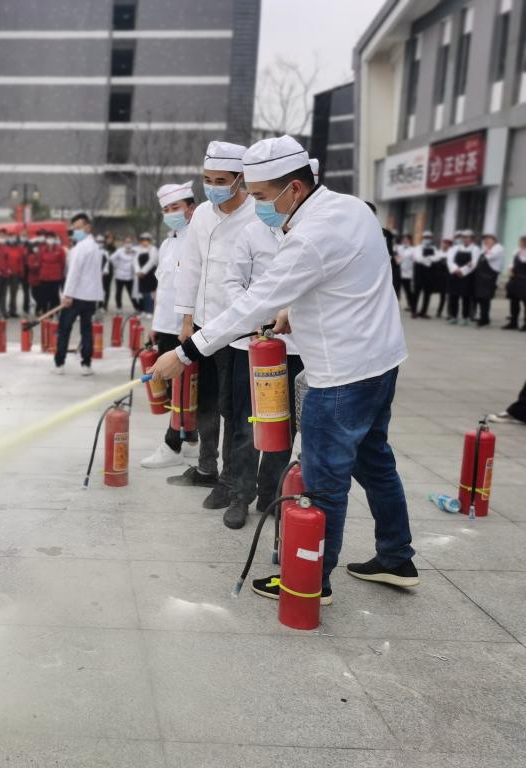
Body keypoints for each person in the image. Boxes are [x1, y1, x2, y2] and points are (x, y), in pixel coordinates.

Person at [150, 135, 417, 604]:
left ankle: (312, 580)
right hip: (382, 361)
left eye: (259, 196)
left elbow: (255, 301)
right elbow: (348, 278)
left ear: (293, 189)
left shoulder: (310, 237)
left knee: (323, 482)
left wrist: (186, 351)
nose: (257, 207)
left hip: (341, 376)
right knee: (375, 462)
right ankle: (396, 557)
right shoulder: (353, 209)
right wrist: (294, 309)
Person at [170, 140, 258, 510]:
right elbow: (191, 268)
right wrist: (187, 319)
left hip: (242, 329)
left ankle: (236, 485)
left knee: (239, 411)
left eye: (221, 180)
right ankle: (213, 470)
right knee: (210, 403)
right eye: (207, 179)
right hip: (205, 328)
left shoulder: (258, 215)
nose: (213, 186)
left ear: (240, 180)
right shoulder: (204, 214)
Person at [220, 219, 304, 529]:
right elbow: (231, 281)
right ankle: (240, 495)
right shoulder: (252, 231)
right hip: (252, 346)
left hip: (296, 348)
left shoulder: (313, 230)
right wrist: (253, 315)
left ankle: (270, 495)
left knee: (284, 426)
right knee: (246, 423)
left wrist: (293, 314)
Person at [140, 182, 200, 470]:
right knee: (174, 388)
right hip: (165, 325)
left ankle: (172, 443)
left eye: (175, 208)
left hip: (185, 328)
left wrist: (186, 324)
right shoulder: (167, 243)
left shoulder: (197, 240)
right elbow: (163, 288)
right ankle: (190, 439)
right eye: (165, 209)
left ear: (191, 208)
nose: (170, 214)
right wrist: (155, 324)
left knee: (183, 388)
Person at [53, 213, 102, 376]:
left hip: (75, 296)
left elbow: (73, 273)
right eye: (74, 229)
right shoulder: (95, 247)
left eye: (79, 228)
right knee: (86, 331)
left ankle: (59, 364)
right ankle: (86, 365)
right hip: (90, 297)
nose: (76, 231)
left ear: (88, 227)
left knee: (64, 329)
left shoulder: (80, 248)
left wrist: (67, 295)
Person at [446, 229, 479, 326]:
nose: (464, 239)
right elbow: (450, 260)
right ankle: (453, 316)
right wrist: (456, 269)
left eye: (466, 237)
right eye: (463, 237)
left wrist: (463, 271)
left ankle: (465, 317)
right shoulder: (456, 248)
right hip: (455, 275)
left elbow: (474, 263)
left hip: (467, 277)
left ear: (471, 239)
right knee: (453, 296)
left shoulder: (475, 249)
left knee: (466, 297)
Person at [411, 230, 443, 318]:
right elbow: (418, 258)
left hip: (429, 275)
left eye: (429, 238)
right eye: (426, 238)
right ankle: (413, 311)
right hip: (419, 274)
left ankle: (423, 312)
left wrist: (427, 258)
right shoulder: (418, 248)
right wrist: (429, 261)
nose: (427, 239)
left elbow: (438, 257)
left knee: (427, 294)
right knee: (416, 293)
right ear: (423, 238)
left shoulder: (434, 248)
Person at [474, 234, 504, 327]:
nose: (486, 241)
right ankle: (484, 317)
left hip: (489, 277)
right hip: (481, 277)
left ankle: (484, 318)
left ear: (494, 240)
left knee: (485, 298)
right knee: (479, 298)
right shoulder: (486, 249)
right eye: (485, 240)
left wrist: (486, 250)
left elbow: (489, 257)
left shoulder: (498, 248)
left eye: (488, 239)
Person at [36, 233, 66, 314]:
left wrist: (58, 272)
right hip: (44, 276)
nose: (50, 239)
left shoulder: (60, 249)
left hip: (56, 277)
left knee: (54, 296)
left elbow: (62, 263)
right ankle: (45, 312)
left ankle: (55, 312)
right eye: (49, 238)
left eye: (52, 237)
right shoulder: (42, 249)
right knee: (44, 295)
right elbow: (39, 261)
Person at [503, 235, 526, 330]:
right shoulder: (516, 251)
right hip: (515, 280)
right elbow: (511, 263)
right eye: (522, 241)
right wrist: (510, 270)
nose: (523, 243)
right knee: (514, 302)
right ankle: (513, 322)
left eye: (524, 241)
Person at [110, 235, 137, 311]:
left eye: (129, 242)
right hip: (120, 275)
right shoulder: (120, 250)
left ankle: (136, 307)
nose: (128, 243)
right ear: (124, 243)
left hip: (130, 275)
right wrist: (117, 265)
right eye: (126, 242)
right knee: (119, 292)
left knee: (131, 293)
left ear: (132, 242)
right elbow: (112, 258)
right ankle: (119, 307)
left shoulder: (134, 251)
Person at [134, 232, 158, 315]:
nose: (144, 242)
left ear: (149, 241)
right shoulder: (138, 249)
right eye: (143, 240)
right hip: (141, 275)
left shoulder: (153, 249)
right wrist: (138, 271)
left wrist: (143, 271)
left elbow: (151, 262)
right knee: (143, 293)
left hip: (150, 274)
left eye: (146, 240)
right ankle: (144, 310)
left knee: (150, 294)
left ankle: (150, 311)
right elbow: (135, 261)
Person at [7, 232, 26, 318]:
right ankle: (2, 310)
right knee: (2, 293)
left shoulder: (19, 248)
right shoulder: (4, 247)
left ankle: (12, 310)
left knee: (13, 293)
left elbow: (21, 261)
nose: (12, 239)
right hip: (5, 273)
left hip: (16, 274)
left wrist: (21, 271)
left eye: (13, 237)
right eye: (10, 237)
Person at [396, 234, 415, 312]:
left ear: (410, 240)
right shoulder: (398, 248)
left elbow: (414, 262)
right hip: (398, 272)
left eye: (407, 239)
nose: (405, 240)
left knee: (408, 291)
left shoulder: (413, 250)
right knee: (397, 290)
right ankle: (396, 305)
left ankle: (410, 305)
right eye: (404, 239)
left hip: (407, 273)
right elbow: (396, 258)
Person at [98, 232, 115, 312]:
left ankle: (105, 306)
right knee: (100, 288)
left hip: (108, 271)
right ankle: (100, 304)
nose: (109, 240)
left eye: (110, 238)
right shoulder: (101, 247)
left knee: (106, 289)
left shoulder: (113, 248)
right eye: (107, 238)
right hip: (99, 271)